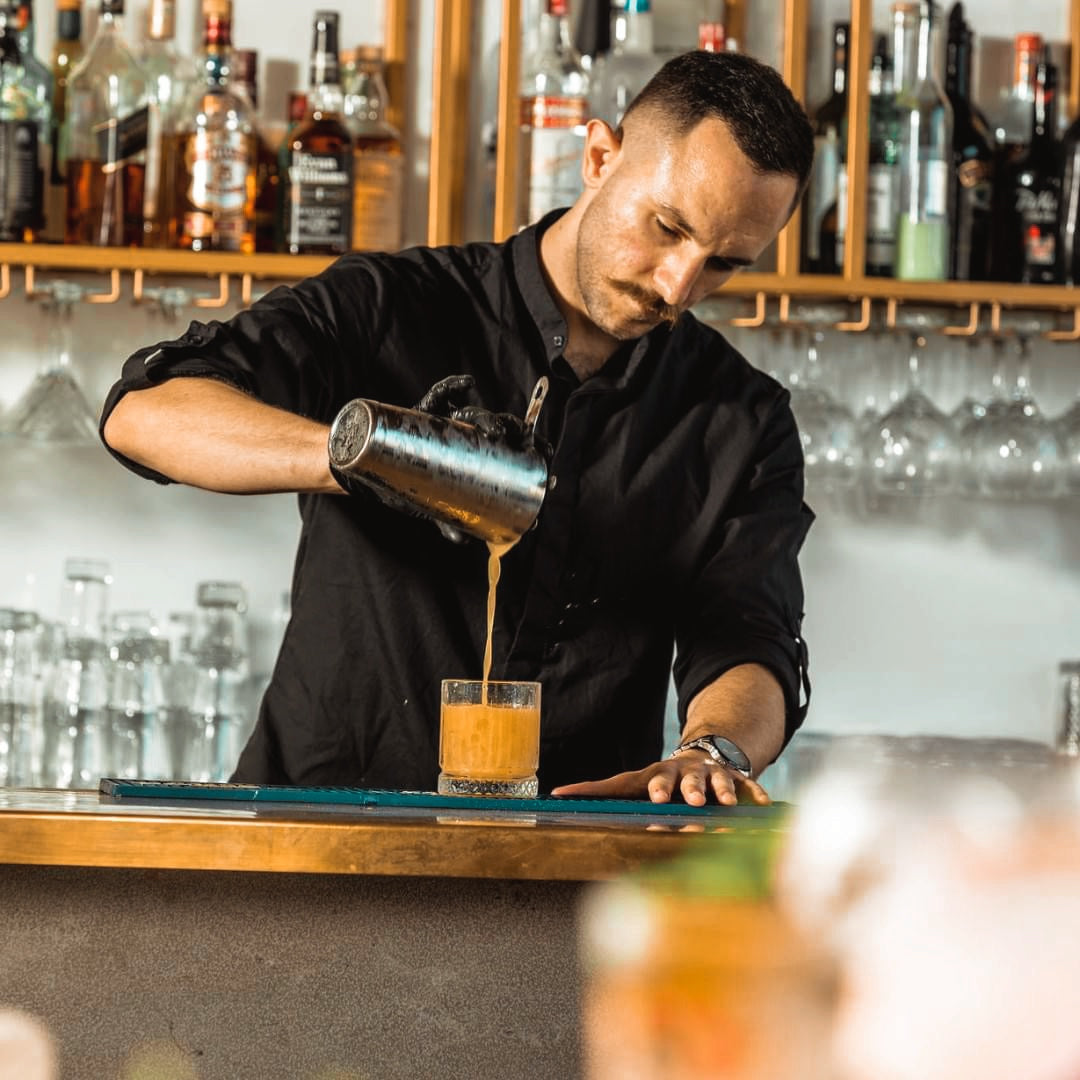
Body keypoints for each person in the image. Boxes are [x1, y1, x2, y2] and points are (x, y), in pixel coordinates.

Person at [100, 49, 815, 806]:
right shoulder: (392, 306)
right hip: (315, 844)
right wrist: (370, 456)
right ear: (600, 157)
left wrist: (715, 750)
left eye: (723, 265)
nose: (679, 286)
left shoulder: (742, 417)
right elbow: (146, 413)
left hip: (563, 867)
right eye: (668, 227)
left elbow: (751, 638)